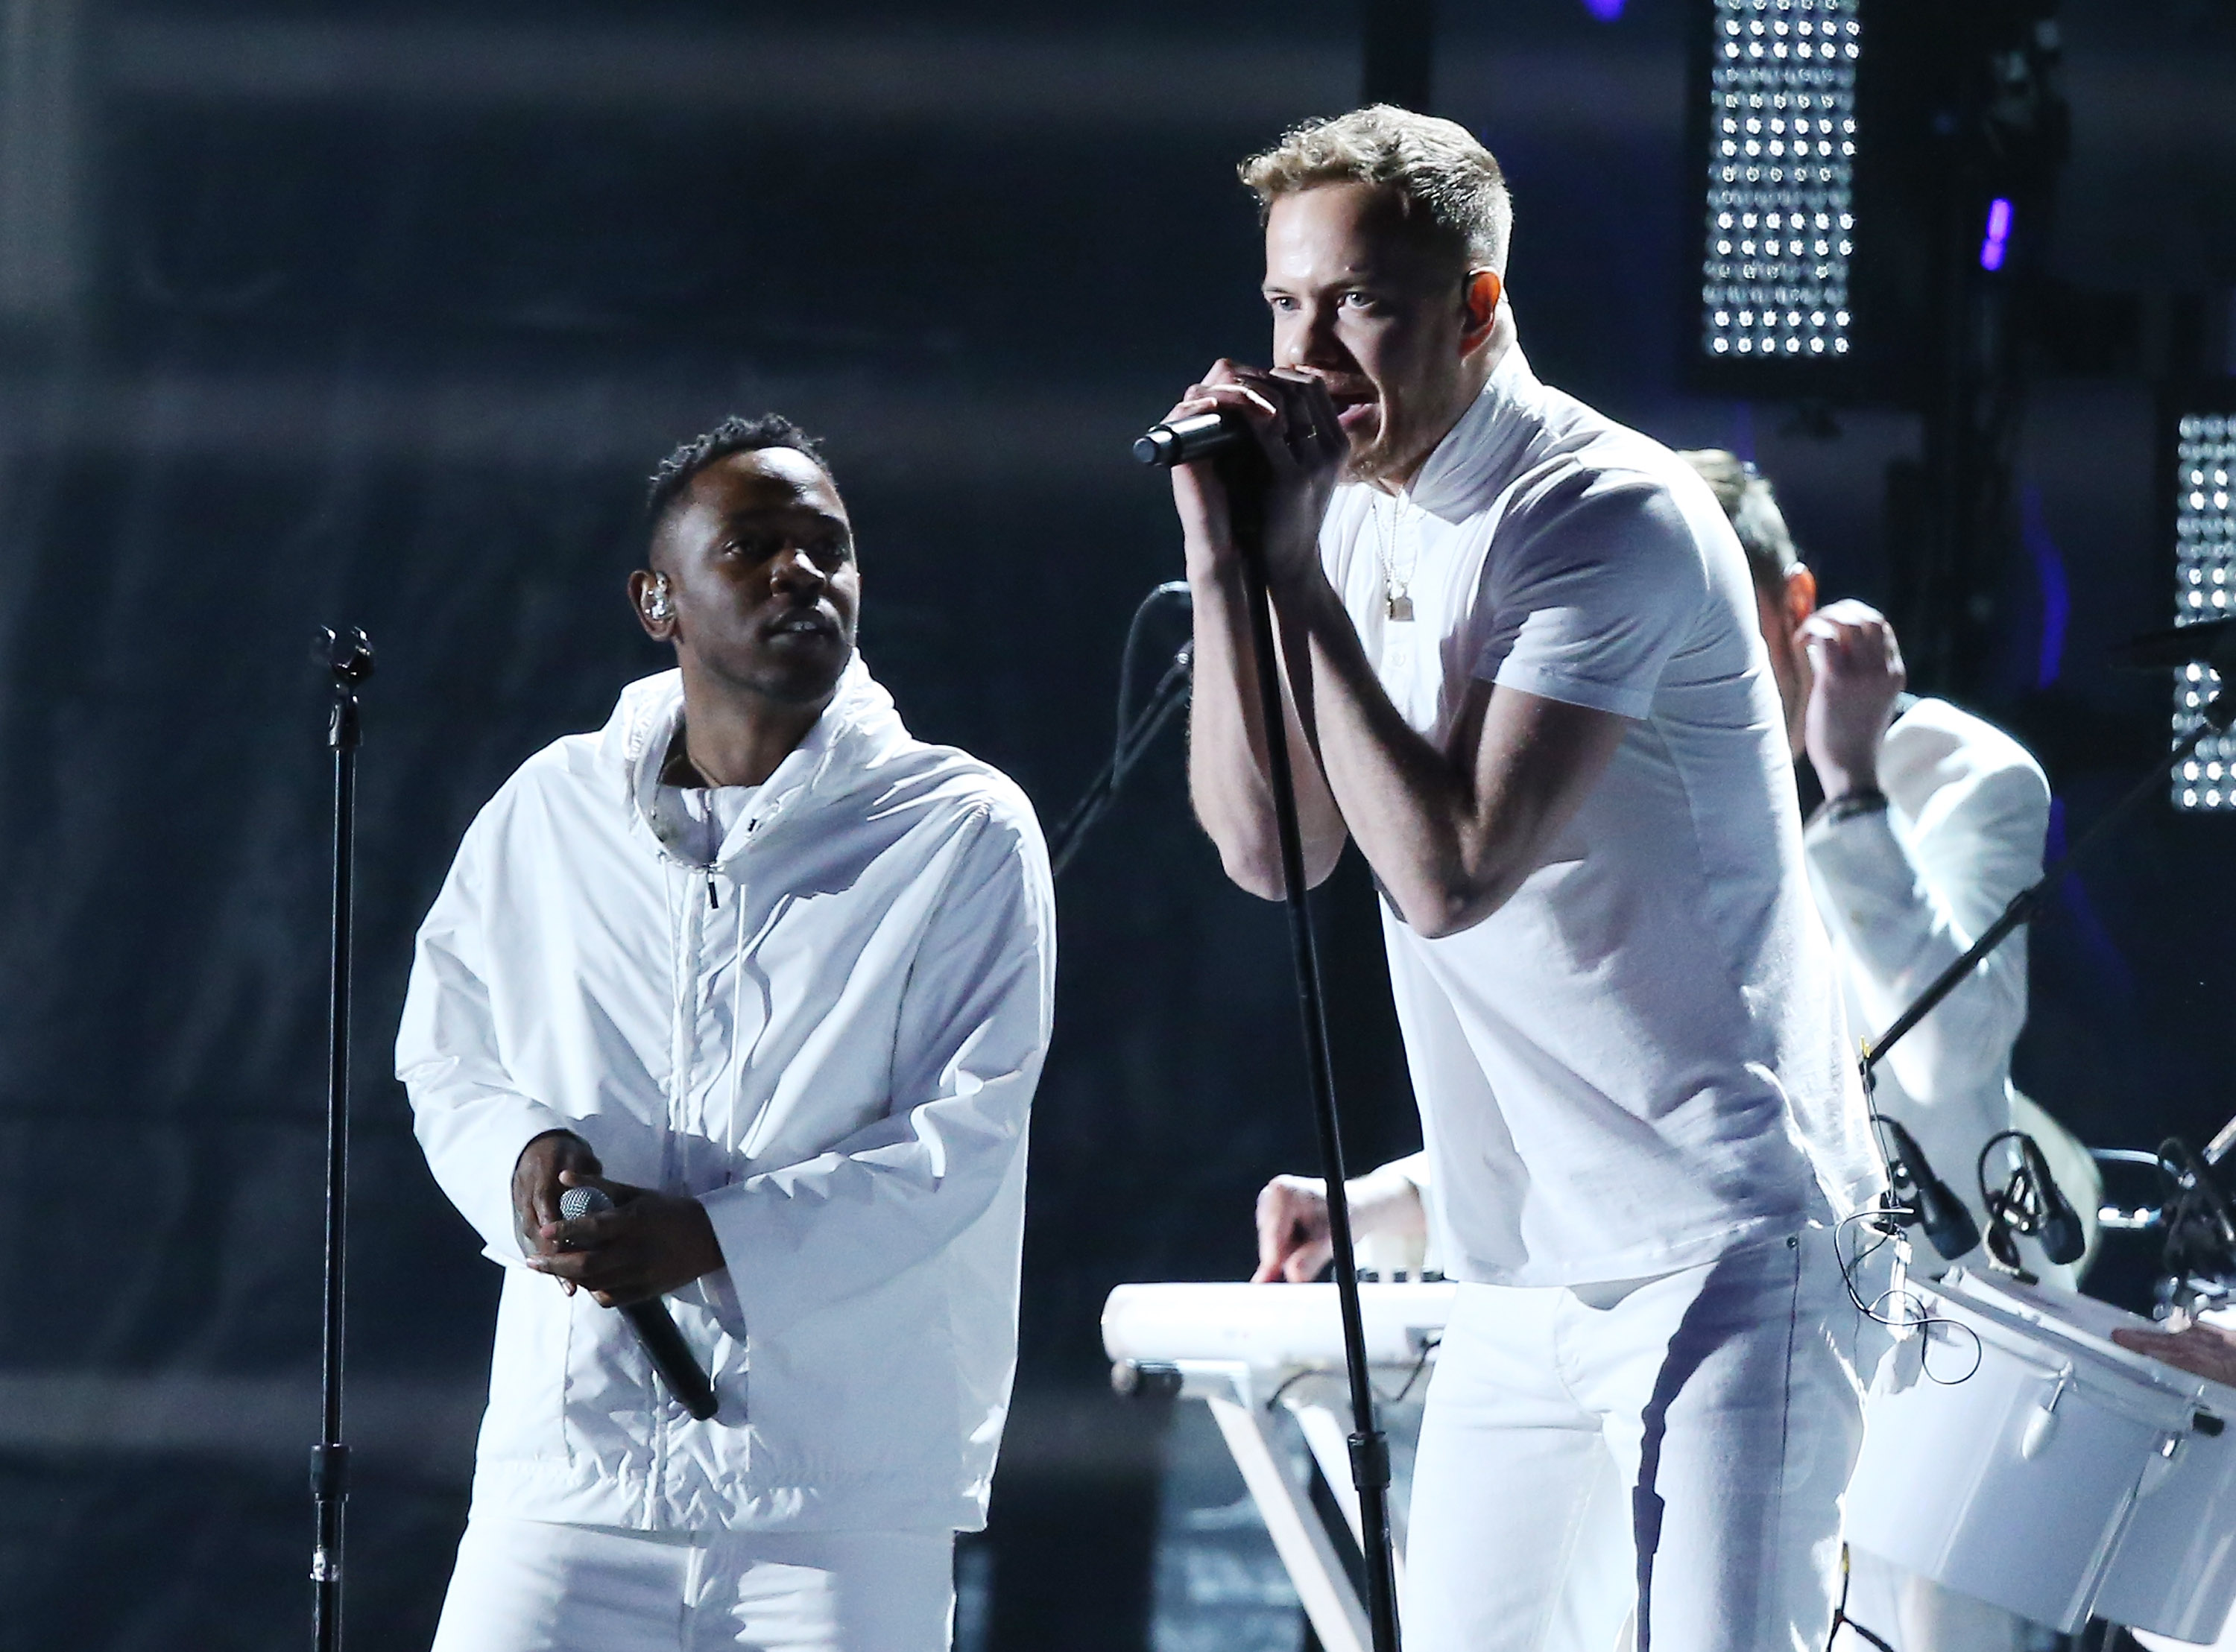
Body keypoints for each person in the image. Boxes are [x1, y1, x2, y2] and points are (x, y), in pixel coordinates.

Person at [1173, 107, 1881, 1652]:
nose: (1309, 355)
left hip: (1730, 1248)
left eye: (1358, 303)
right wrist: (1235, 567)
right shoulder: (1342, 512)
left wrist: (1294, 570)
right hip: (1519, 1273)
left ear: (1478, 308)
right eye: (1286, 305)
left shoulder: (1603, 517)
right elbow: (1272, 847)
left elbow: (1450, 871)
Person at [1263, 449, 2094, 1651]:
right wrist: (1385, 1203)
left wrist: (1852, 792)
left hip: (1943, 1317)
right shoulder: (1616, 759)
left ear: (1797, 610)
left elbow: (1947, 1056)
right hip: (1659, 1285)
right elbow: (1621, 1085)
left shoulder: (1958, 774)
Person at [398, 414, 1055, 1652]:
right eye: (752, 546)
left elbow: (961, 1135)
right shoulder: (551, 807)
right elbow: (447, 1052)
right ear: (660, 599)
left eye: (829, 548)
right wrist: (523, 1155)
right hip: (570, 1471)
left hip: (835, 1495)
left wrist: (711, 1234)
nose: (801, 573)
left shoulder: (958, 826)